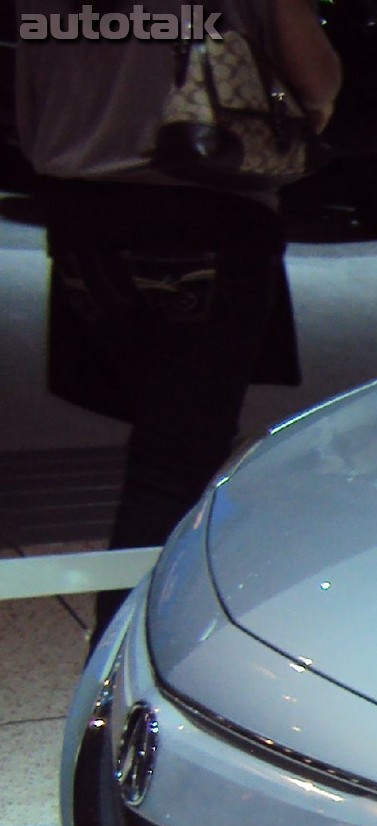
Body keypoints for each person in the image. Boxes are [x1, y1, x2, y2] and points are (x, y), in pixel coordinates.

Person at [14, 0, 341, 643]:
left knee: (160, 455)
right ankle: (129, 665)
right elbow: (319, 83)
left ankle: (144, 642)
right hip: (203, 217)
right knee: (172, 470)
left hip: (82, 219)